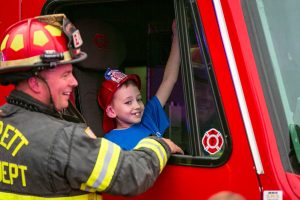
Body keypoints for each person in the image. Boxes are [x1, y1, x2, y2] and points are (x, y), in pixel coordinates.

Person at [0, 14, 183, 199]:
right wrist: (159, 145)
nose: (74, 82)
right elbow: (130, 176)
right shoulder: (64, 140)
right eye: (65, 75)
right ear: (35, 83)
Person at [98, 21, 181, 150]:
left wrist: (178, 35)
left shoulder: (148, 117)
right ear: (111, 111)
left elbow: (169, 79)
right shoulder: (110, 143)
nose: (137, 106)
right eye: (128, 102)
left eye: (139, 99)